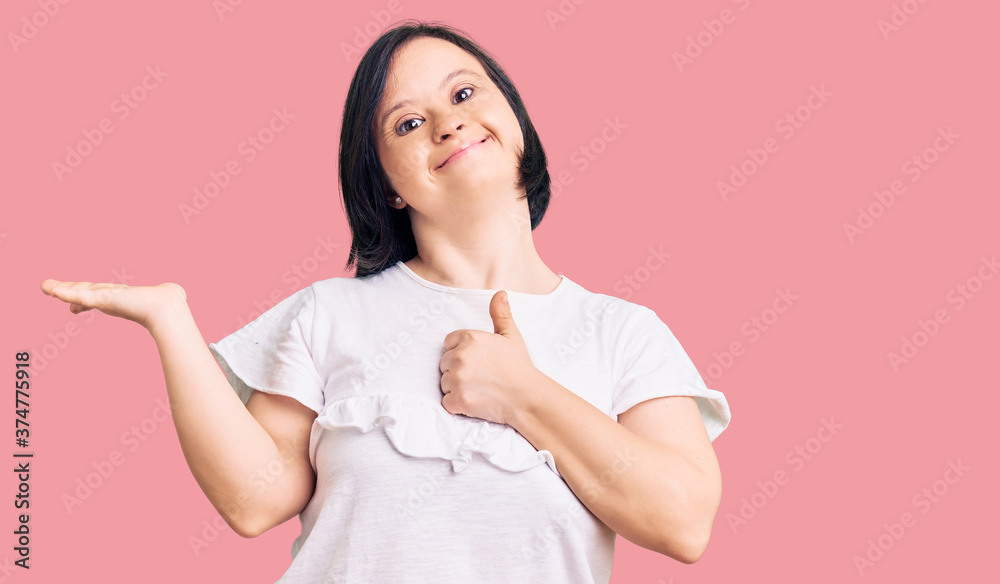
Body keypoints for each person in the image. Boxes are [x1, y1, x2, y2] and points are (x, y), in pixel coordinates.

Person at [40, 19, 731, 584]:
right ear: (388, 185)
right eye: (407, 124)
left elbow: (681, 522)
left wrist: (523, 395)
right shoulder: (326, 315)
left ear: (513, 118)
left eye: (464, 95)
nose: (447, 123)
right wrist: (171, 322)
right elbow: (254, 501)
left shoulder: (622, 333)